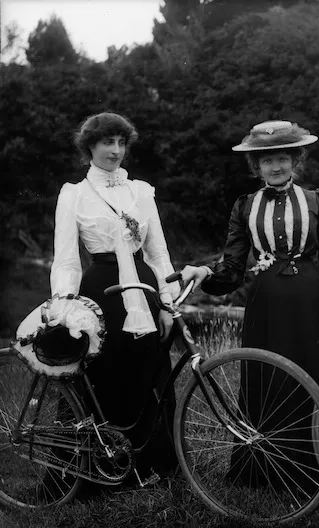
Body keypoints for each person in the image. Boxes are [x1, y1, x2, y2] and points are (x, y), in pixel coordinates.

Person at [180, 119, 319, 491]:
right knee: (268, 382)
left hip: (311, 306)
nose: (276, 167)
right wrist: (204, 271)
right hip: (264, 308)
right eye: (267, 161)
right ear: (256, 166)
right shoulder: (245, 205)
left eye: (282, 158)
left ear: (295, 159)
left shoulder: (317, 201)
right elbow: (232, 268)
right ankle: (266, 472)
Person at [50, 111, 179, 482]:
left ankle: (150, 466)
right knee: (101, 378)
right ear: (90, 145)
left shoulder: (141, 191)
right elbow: (67, 261)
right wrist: (65, 307)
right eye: (108, 142)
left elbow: (157, 254)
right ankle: (98, 469)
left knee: (149, 375)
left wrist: (167, 302)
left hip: (143, 289)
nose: (116, 150)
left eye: (121, 143)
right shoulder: (74, 195)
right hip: (99, 294)